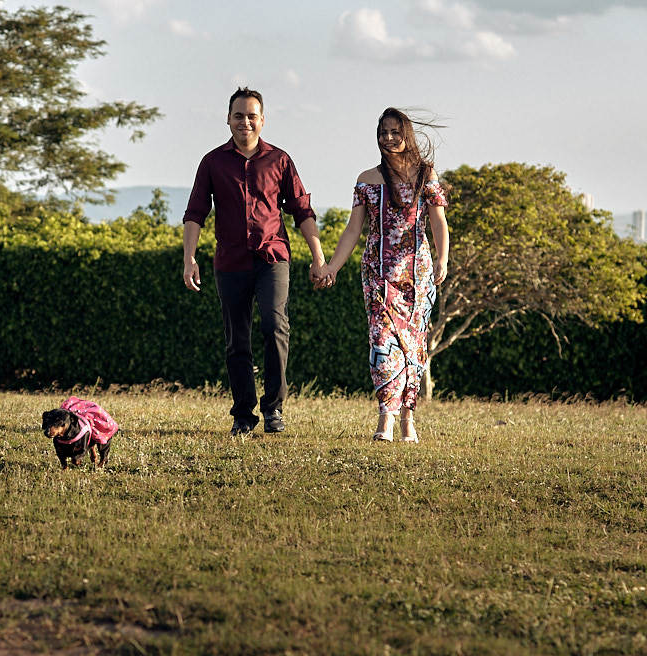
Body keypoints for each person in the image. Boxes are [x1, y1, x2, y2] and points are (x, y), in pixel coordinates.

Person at [182, 87, 327, 436]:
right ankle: (243, 415)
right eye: (238, 115)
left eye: (251, 115)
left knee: (275, 326)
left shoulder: (279, 160)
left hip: (272, 257)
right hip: (229, 261)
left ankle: (274, 409)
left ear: (262, 120)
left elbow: (302, 210)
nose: (245, 121)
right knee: (237, 339)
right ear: (228, 119)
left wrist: (318, 257)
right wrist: (189, 258)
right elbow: (195, 212)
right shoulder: (212, 162)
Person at [313, 107, 449, 443]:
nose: (388, 138)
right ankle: (385, 418)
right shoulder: (367, 179)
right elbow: (353, 230)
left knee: (414, 346)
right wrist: (332, 266)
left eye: (394, 132)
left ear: (406, 134)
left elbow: (438, 222)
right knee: (383, 344)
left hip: (417, 275)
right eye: (383, 132)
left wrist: (443, 259)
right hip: (377, 275)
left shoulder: (426, 174)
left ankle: (408, 419)